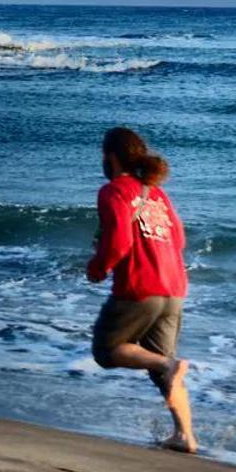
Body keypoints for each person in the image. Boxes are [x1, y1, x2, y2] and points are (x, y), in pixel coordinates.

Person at [87, 127, 197, 454]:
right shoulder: (157, 194)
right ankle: (185, 436)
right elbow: (178, 239)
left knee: (106, 351)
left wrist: (98, 267)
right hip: (174, 287)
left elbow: (120, 239)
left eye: (103, 155)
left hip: (139, 286)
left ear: (111, 156)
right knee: (160, 363)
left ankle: (169, 367)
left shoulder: (113, 191)